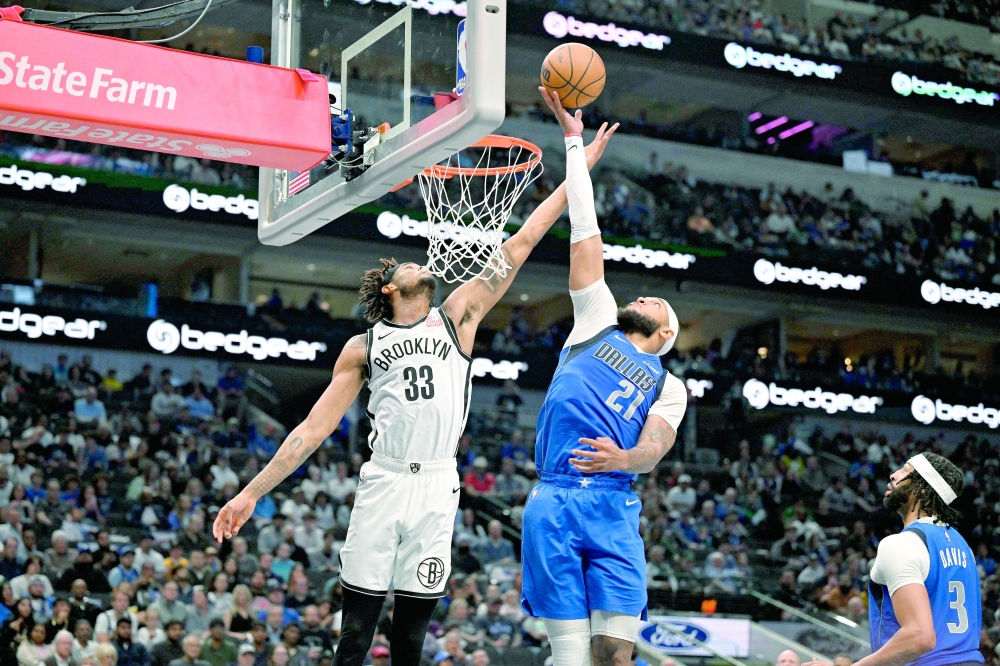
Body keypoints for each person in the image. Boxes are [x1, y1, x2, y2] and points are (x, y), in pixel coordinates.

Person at [213, 119, 619, 666]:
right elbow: (311, 430)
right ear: (390, 288)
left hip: (436, 485)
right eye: (406, 265)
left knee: (410, 641)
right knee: (355, 638)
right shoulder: (363, 346)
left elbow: (521, 241)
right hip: (384, 480)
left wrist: (577, 171)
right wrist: (250, 493)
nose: (418, 262)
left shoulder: (457, 316)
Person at [520, 88, 687, 666]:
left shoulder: (668, 385)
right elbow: (584, 227)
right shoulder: (596, 320)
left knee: (616, 654)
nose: (642, 298)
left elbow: (654, 449)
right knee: (571, 656)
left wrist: (626, 458)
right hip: (555, 496)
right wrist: (573, 144)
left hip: (613, 505)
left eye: (655, 302)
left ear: (667, 333)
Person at [804, 453, 983, 666]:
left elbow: (919, 637)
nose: (893, 475)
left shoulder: (902, 544)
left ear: (923, 489)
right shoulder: (964, 547)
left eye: (905, 470)